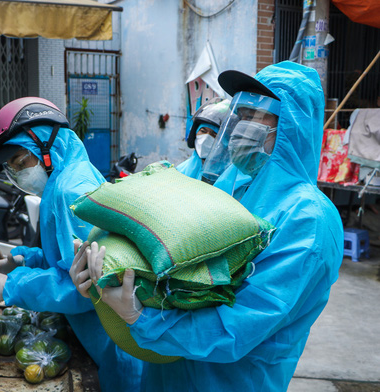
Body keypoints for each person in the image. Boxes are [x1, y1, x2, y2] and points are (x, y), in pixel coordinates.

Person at [71, 61, 344, 391]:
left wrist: (142, 318)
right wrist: (109, 276)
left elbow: (239, 328)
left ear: (293, 127)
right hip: (167, 373)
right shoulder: (230, 183)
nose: (245, 126)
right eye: (242, 115)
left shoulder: (308, 220)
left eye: (260, 117)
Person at [0, 97, 143, 391]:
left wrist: (11, 286)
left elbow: (90, 286)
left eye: (20, 161)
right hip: (101, 337)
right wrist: (21, 260)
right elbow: (68, 261)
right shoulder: (61, 183)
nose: (17, 174)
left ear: (46, 146)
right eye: (11, 167)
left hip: (116, 344)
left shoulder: (71, 190)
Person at [176, 97, 252, 198]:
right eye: (203, 131)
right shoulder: (179, 172)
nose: (206, 137)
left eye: (214, 134)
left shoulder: (239, 182)